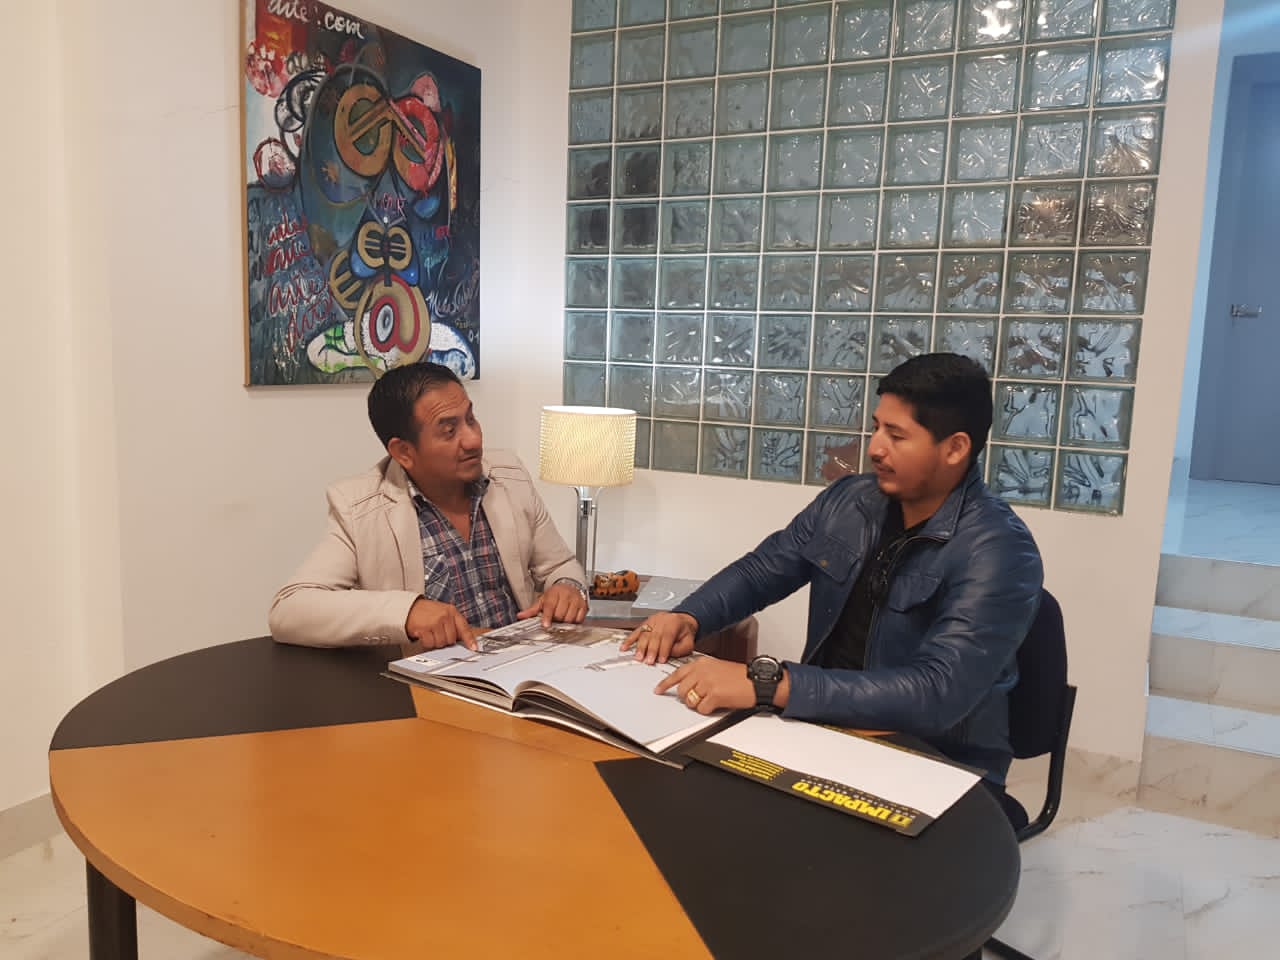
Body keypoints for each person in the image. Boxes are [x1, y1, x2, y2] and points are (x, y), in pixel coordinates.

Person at [624, 353, 1043, 788]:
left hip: (936, 762)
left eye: (897, 435)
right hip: (822, 728)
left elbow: (937, 693)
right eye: (877, 427)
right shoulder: (850, 501)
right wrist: (690, 616)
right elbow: (764, 569)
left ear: (955, 448)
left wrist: (771, 685)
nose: (875, 448)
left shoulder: (1000, 550)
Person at [270, 362, 588, 652]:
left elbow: (559, 566)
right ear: (403, 452)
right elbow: (289, 610)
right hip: (435, 682)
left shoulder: (509, 476)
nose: (473, 440)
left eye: (471, 419)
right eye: (449, 430)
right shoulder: (360, 509)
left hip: (525, 662)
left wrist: (567, 587)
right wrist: (408, 612)